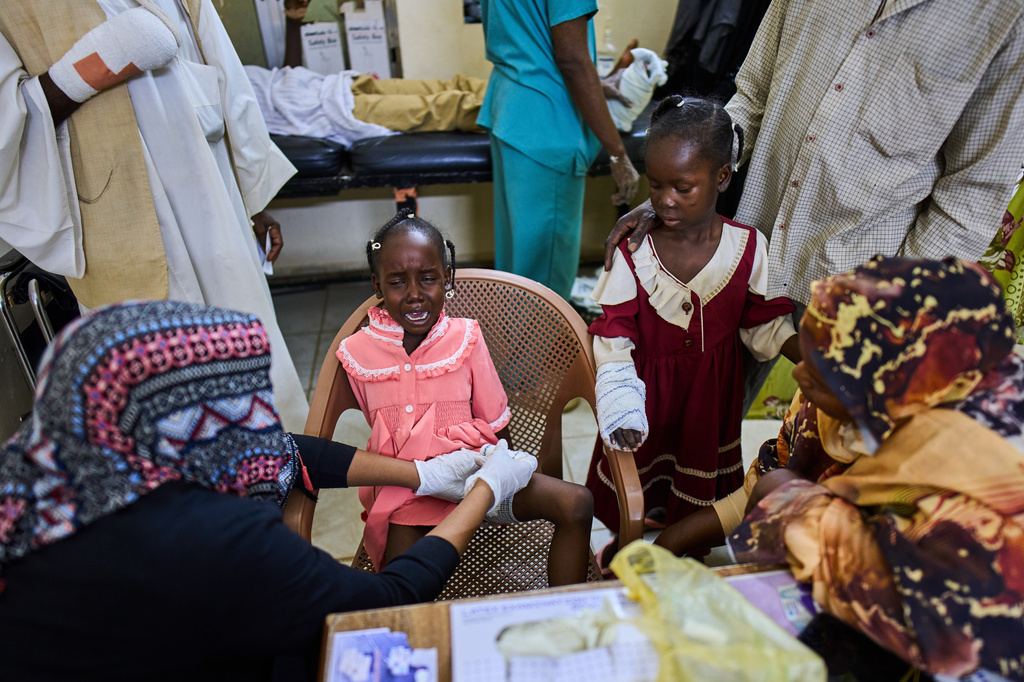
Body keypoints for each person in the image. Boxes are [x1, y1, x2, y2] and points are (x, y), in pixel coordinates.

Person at [0, 299, 538, 681]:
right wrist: (484, 491)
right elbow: (381, 602)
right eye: (238, 399)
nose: (254, 418)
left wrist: (419, 475)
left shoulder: (36, 478)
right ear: (200, 417)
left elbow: (284, 452)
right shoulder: (215, 540)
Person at [604, 0, 1024, 405]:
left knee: (825, 453)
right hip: (754, 248)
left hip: (865, 288)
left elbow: (974, 188)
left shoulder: (1003, 14)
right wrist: (674, 194)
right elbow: (751, 97)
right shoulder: (722, 253)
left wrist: (901, 310)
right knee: (702, 408)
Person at [0, 0, 309, 431]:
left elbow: (218, 63)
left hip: (212, 186)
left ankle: (280, 478)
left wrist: (253, 200)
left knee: (250, 349)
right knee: (167, 392)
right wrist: (92, 67)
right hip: (111, 211)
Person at [720, 256, 1024, 679]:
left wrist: (786, 504)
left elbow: (952, 644)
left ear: (887, 393)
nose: (801, 376)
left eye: (824, 376)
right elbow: (773, 470)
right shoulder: (935, 376)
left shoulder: (976, 501)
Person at [584, 96, 799, 570]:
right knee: (641, 468)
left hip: (710, 394)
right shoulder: (635, 250)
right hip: (648, 393)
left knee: (697, 467)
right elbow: (614, 331)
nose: (664, 200)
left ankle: (686, 545)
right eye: (656, 185)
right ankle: (631, 541)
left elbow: (761, 323)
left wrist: (806, 355)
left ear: (722, 178)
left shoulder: (748, 248)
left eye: (683, 187)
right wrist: (619, 394)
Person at [337, 212, 594, 585]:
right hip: (410, 494)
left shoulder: (466, 338)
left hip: (477, 474)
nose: (414, 294)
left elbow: (495, 423)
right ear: (377, 284)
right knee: (403, 584)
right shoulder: (357, 353)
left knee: (577, 502)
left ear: (447, 278)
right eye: (396, 282)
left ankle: (567, 613)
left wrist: (503, 480)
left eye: (428, 278)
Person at [478, 0, 641, 300]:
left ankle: (512, 344)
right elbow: (572, 60)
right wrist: (617, 153)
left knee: (518, 268)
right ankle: (539, 348)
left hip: (511, 111)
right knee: (545, 282)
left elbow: (529, 37)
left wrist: (595, 85)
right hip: (546, 124)